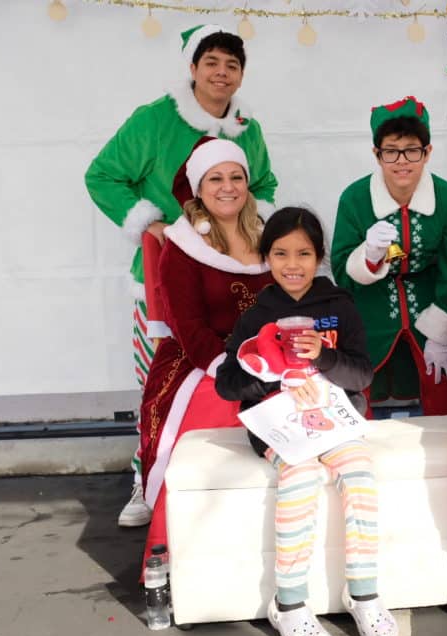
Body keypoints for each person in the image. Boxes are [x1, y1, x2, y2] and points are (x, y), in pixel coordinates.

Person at [85, 24, 277, 527]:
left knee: (244, 375)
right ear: (192, 68)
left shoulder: (247, 128)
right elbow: (101, 175)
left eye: (232, 65)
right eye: (211, 62)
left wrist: (250, 233)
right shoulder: (153, 120)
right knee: (159, 384)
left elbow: (264, 184)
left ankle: (234, 477)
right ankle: (146, 477)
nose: (221, 73)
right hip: (164, 276)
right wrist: (149, 222)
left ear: (241, 75)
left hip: (233, 278)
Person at [216, 207, 398, 636]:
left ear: (319, 257)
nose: (292, 264)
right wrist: (268, 373)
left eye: (304, 253)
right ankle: (290, 603)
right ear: (267, 257)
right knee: (300, 477)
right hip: (279, 425)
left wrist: (323, 356)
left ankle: (364, 594)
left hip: (333, 421)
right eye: (280, 254)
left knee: (360, 476)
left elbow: (362, 375)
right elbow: (227, 383)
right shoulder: (257, 314)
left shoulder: (338, 306)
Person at [137, 138, 273, 566]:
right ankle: (181, 552)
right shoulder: (182, 246)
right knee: (215, 404)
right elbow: (188, 325)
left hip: (266, 355)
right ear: (198, 188)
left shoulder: (268, 234)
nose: (227, 187)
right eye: (215, 178)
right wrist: (228, 367)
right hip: (201, 358)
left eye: (236, 177)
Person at [330, 96, 447, 417]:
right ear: (377, 154)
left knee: (440, 394)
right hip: (370, 308)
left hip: (432, 305)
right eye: (391, 151)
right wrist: (368, 257)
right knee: (358, 401)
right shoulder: (354, 198)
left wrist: (440, 331)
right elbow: (341, 270)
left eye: (412, 150)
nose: (402, 161)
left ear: (428, 152)